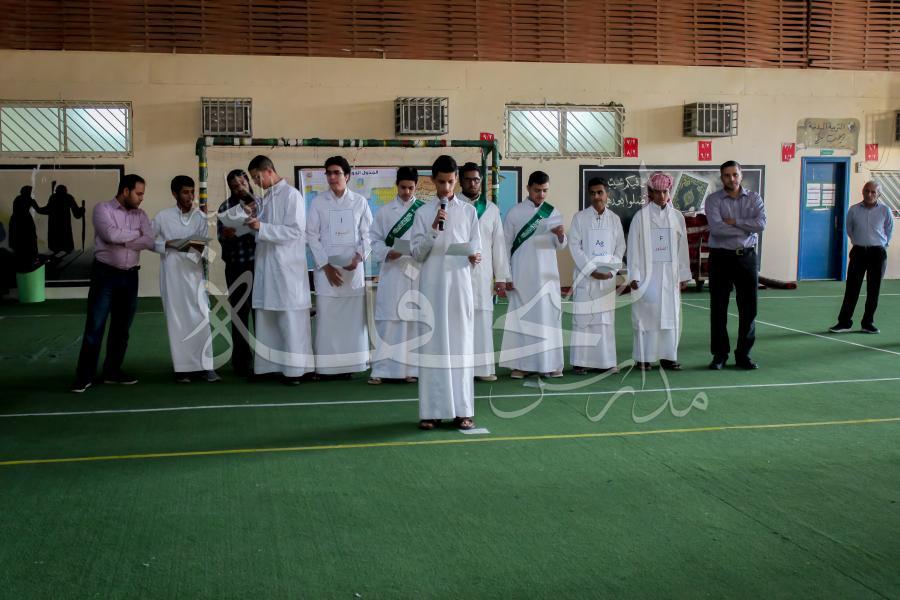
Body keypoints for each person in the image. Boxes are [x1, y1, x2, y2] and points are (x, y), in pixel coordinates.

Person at [224, 154, 314, 384]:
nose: (255, 183)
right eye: (253, 179)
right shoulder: (266, 198)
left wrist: (261, 227)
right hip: (266, 266)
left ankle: (295, 370)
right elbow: (260, 228)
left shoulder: (291, 195)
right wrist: (247, 223)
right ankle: (267, 368)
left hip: (286, 268)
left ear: (269, 171)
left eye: (257, 177)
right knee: (266, 316)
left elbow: (296, 231)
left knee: (289, 318)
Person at [410, 155, 482, 430]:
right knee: (433, 346)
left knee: (461, 346)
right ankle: (431, 411)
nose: (446, 187)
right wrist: (432, 229)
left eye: (451, 182)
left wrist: (475, 257)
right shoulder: (422, 213)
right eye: (441, 182)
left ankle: (463, 411)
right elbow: (417, 254)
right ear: (432, 181)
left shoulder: (468, 212)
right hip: (432, 288)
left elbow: (475, 247)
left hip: (459, 287)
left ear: (457, 180)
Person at [72, 175, 154, 392]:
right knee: (95, 326)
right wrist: (135, 234)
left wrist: (124, 239)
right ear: (125, 191)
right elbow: (109, 234)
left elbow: (149, 240)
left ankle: (112, 371)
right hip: (105, 275)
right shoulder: (103, 209)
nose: (141, 198)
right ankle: (84, 376)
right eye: (138, 193)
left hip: (130, 277)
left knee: (121, 328)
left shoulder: (141, 214)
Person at [306, 156, 373, 378]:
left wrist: (359, 257)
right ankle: (327, 368)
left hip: (352, 271)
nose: (332, 177)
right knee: (327, 319)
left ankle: (352, 365)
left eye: (337, 172)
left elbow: (368, 235)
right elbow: (312, 236)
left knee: (352, 321)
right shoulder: (318, 202)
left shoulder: (359, 202)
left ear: (347, 176)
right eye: (329, 173)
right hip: (327, 271)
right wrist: (325, 266)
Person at [499, 171, 567, 379]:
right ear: (528, 188)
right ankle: (522, 365)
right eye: (537, 190)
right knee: (523, 319)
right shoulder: (514, 213)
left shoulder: (552, 212)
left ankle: (550, 364)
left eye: (545, 190)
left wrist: (561, 235)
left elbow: (561, 246)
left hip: (547, 275)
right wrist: (506, 276)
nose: (541, 194)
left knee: (548, 319)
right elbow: (505, 245)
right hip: (522, 275)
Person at [152, 175, 219, 383]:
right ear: (175, 194)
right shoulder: (162, 217)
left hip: (194, 274)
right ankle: (183, 369)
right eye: (185, 192)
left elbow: (202, 247)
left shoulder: (200, 217)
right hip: (172, 275)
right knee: (177, 320)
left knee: (202, 316)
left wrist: (184, 244)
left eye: (192, 192)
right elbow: (149, 241)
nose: (190, 196)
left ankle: (206, 367)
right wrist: (167, 244)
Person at [626, 172, 692, 371]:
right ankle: (643, 358)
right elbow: (633, 247)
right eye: (657, 192)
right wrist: (634, 275)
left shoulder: (677, 217)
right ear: (651, 193)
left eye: (665, 192)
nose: (662, 196)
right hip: (647, 275)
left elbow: (682, 248)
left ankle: (668, 357)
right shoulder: (640, 217)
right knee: (646, 317)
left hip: (670, 275)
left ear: (669, 191)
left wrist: (683, 274)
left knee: (670, 316)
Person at [705, 160, 767, 370]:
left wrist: (735, 221)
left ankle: (743, 355)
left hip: (746, 258)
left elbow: (761, 224)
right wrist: (747, 227)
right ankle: (719, 355)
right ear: (721, 177)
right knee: (718, 309)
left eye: (735, 174)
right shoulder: (713, 200)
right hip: (720, 258)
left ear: (741, 175)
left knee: (749, 309)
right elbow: (717, 229)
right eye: (726, 175)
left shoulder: (754, 198)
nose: (731, 179)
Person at [368, 166, 423, 385]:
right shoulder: (384, 212)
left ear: (416, 186)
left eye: (411, 188)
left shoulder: (424, 211)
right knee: (389, 320)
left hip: (416, 271)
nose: (407, 192)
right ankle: (382, 370)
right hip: (392, 269)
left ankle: (411, 369)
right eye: (403, 187)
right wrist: (387, 252)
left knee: (412, 321)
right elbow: (374, 240)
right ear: (396, 186)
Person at [459, 162, 510, 382]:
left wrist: (501, 277)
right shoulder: (453, 207)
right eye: (468, 179)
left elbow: (498, 246)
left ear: (481, 181)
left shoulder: (491, 210)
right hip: (457, 274)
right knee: (458, 321)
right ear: (460, 181)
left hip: (483, 276)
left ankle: (483, 368)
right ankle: (459, 368)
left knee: (482, 321)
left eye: (476, 179)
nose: (473, 183)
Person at [569, 177, 625, 374]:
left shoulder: (615, 219)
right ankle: (580, 362)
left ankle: (606, 362)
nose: (596, 197)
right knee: (583, 319)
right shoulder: (579, 218)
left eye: (600, 192)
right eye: (592, 193)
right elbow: (574, 246)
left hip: (607, 279)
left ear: (607, 194)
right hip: (586, 277)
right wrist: (591, 270)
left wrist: (610, 270)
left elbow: (620, 247)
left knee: (605, 320)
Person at [830, 181, 893, 334]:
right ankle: (844, 322)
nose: (869, 194)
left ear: (879, 194)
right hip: (858, 252)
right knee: (852, 288)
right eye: (867, 190)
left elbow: (889, 229)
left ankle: (868, 323)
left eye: (873, 192)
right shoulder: (853, 210)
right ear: (863, 191)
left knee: (873, 289)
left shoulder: (885, 210)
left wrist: (882, 244)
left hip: (877, 253)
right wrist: (859, 242)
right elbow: (849, 229)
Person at [216, 169, 257, 376]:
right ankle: (241, 361)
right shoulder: (226, 207)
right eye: (234, 187)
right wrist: (228, 234)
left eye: (242, 183)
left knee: (261, 312)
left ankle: (265, 360)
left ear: (248, 182)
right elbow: (221, 238)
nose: (239, 188)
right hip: (236, 266)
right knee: (239, 313)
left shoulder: (261, 204)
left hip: (259, 265)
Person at [8, 185, 48, 272]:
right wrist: (49, 209)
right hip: (25, 222)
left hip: (16, 221)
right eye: (30, 191)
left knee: (20, 240)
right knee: (29, 239)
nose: (30, 193)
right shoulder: (29, 200)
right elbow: (39, 210)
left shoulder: (18, 199)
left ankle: (22, 259)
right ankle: (29, 259)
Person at [43, 184, 85, 254]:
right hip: (63, 226)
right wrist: (82, 210)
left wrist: (37, 208)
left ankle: (57, 254)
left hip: (55, 225)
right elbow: (76, 213)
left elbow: (47, 209)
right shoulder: (67, 197)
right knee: (64, 245)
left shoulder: (54, 197)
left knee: (56, 246)